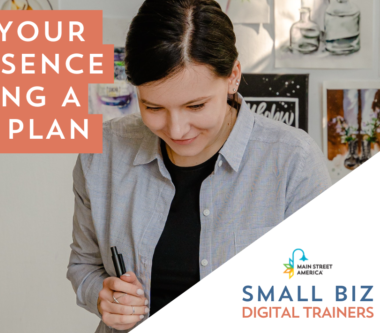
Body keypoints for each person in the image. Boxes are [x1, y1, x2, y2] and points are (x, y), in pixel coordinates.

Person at [67, 0, 332, 332]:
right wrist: (102, 295)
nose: (176, 130)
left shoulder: (293, 161)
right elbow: (84, 265)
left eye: (196, 105)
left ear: (233, 77)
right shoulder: (103, 153)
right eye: (153, 106)